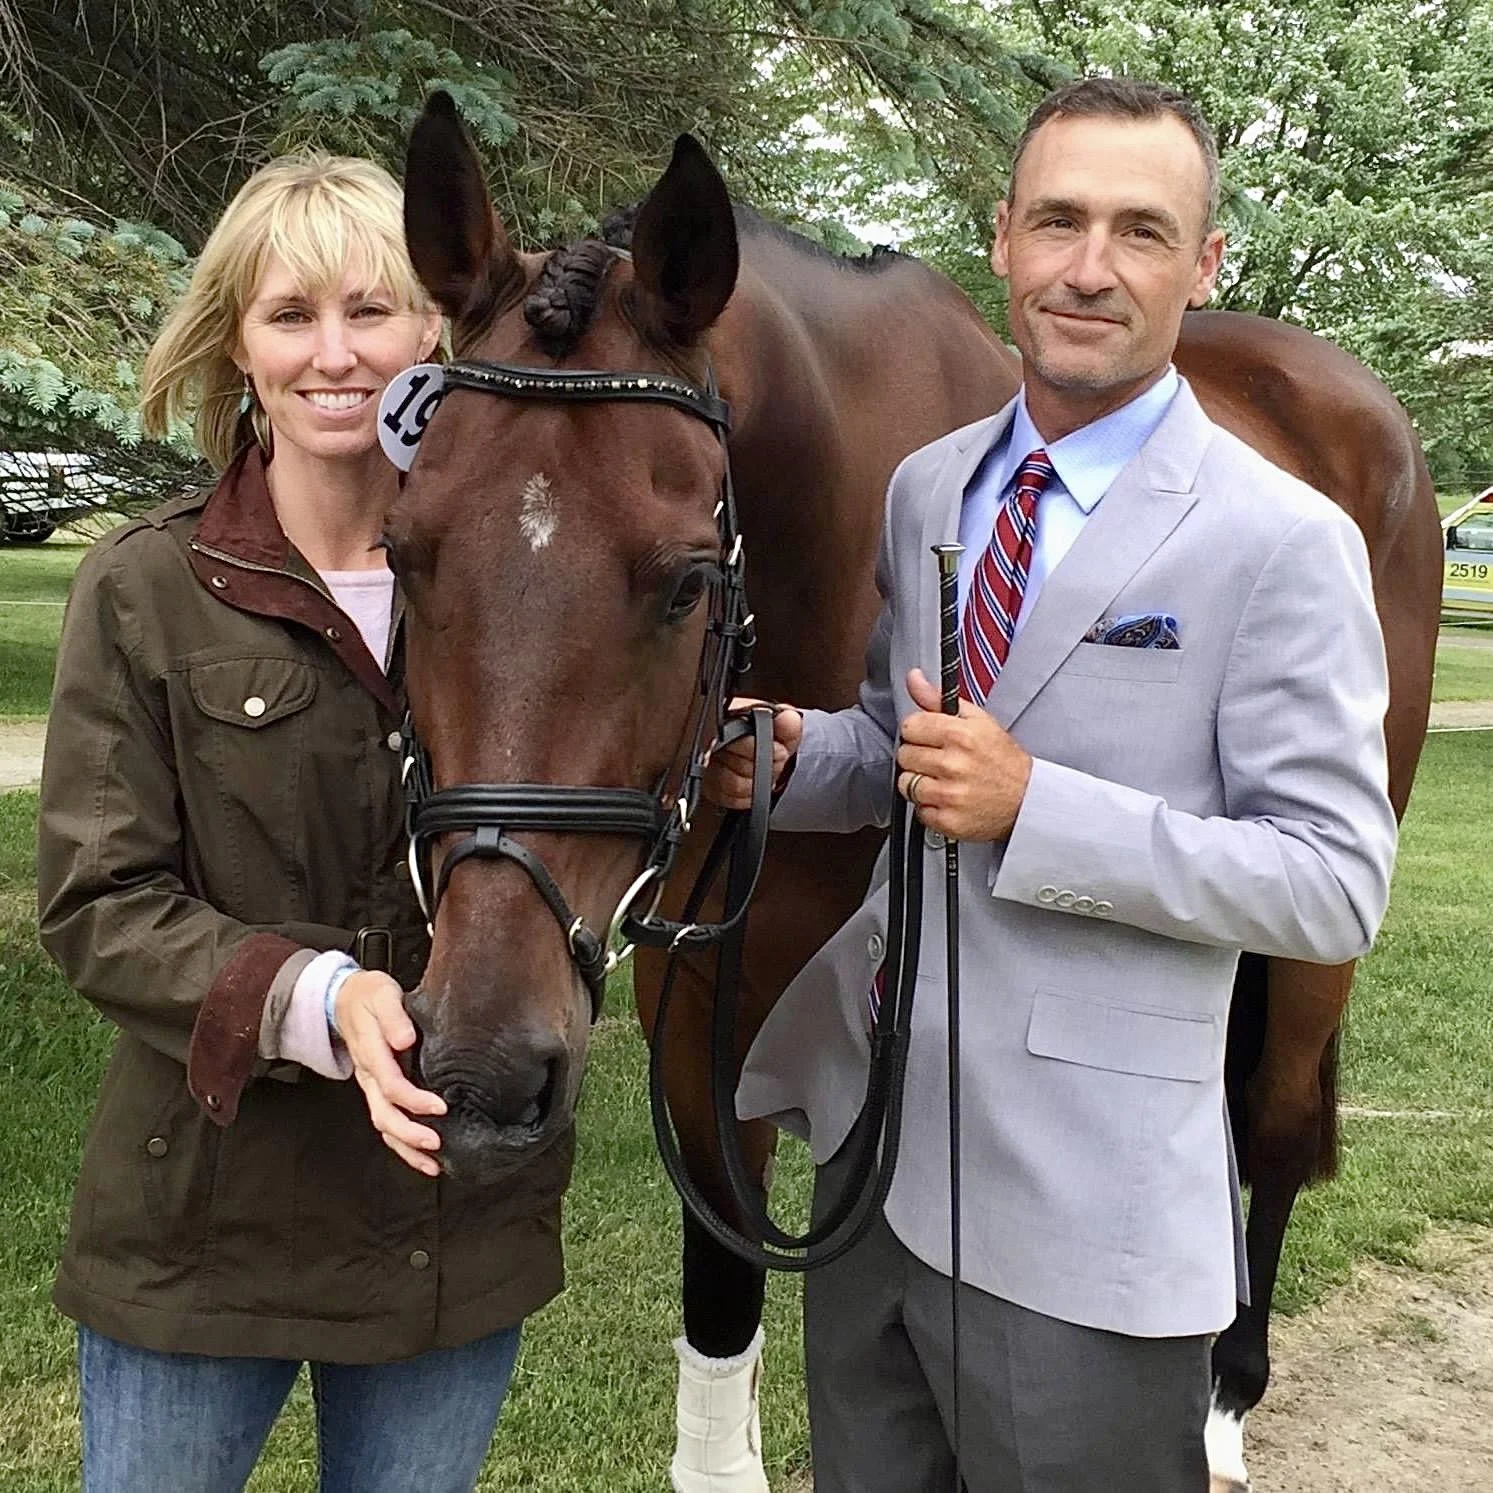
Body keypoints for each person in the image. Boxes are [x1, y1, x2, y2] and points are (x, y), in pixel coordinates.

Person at [707, 78, 1398, 1490]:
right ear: (1002, 238)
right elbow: (900, 751)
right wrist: (789, 758)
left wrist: (1041, 810)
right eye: (1060, 221)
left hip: (1090, 1222)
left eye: (1143, 232)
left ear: (1203, 267)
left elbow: (1333, 887)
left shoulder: (1284, 541)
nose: (1090, 268)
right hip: (874, 1165)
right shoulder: (929, 489)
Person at [36, 154, 572, 1493]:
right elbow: (100, 902)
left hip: (448, 1211)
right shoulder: (148, 586)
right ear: (239, 345)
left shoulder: (514, 584)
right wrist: (320, 995)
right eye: (290, 315)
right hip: (200, 1220)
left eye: (370, 309)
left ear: (432, 327)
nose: (335, 355)